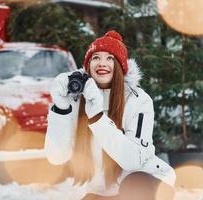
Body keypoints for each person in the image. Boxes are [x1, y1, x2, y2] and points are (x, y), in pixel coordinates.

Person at [44, 30, 176, 200]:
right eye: (96, 57)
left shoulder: (138, 100)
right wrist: (61, 108)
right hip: (102, 194)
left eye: (110, 58)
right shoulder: (76, 101)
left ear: (120, 66)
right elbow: (56, 157)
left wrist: (97, 118)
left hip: (147, 187)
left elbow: (133, 160)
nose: (102, 63)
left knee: (135, 184)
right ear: (88, 66)